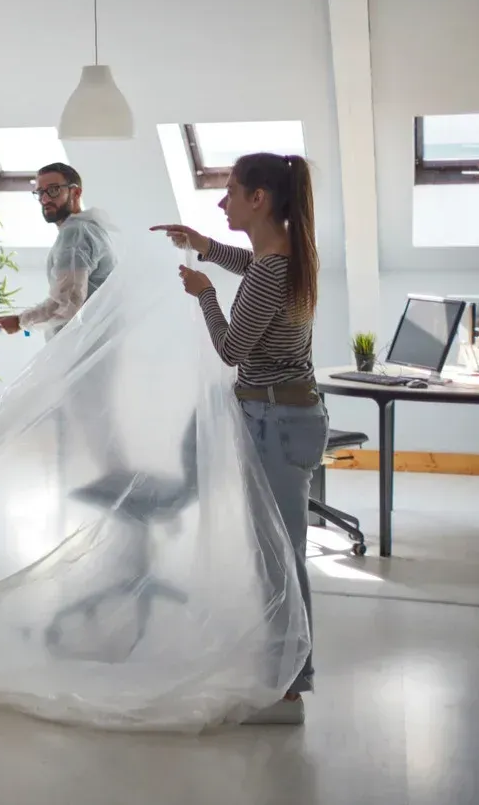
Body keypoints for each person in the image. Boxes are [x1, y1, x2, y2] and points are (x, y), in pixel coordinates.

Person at [152, 152, 325, 726]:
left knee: (279, 556)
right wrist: (203, 243)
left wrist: (202, 291)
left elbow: (231, 348)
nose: (222, 201)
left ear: (260, 199)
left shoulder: (273, 268)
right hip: (283, 418)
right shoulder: (283, 255)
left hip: (276, 424)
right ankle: (284, 676)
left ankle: (288, 689)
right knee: (276, 553)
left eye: (230, 191)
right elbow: (251, 272)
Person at [0, 162, 116, 337]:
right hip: (94, 342)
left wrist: (20, 321)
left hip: (83, 346)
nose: (45, 199)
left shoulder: (76, 233)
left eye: (53, 190)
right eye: (40, 192)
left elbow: (67, 302)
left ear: (76, 192)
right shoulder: (91, 228)